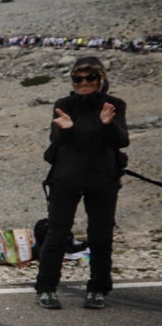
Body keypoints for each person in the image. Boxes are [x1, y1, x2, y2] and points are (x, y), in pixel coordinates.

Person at [35, 56, 129, 310]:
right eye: (78, 79)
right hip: (65, 179)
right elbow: (56, 138)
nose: (83, 83)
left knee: (101, 236)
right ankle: (46, 288)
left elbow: (121, 140)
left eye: (89, 78)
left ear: (101, 79)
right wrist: (66, 129)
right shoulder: (64, 104)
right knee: (56, 233)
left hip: (103, 181)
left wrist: (108, 125)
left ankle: (98, 289)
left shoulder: (114, 105)